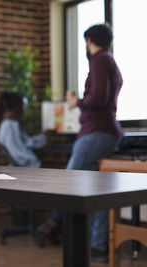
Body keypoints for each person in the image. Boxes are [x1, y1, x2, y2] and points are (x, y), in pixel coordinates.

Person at [38, 23, 123, 263]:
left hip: (95, 133)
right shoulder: (111, 61)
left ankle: (55, 223)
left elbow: (97, 98)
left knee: (69, 183)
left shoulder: (98, 59)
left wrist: (76, 101)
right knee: (97, 192)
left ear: (89, 41)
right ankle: (98, 245)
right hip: (108, 132)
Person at [0, 92, 46, 168]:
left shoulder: (14, 124)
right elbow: (18, 155)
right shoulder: (9, 126)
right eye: (23, 105)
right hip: (22, 170)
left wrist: (45, 135)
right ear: (17, 106)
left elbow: (28, 142)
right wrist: (36, 165)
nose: (25, 109)